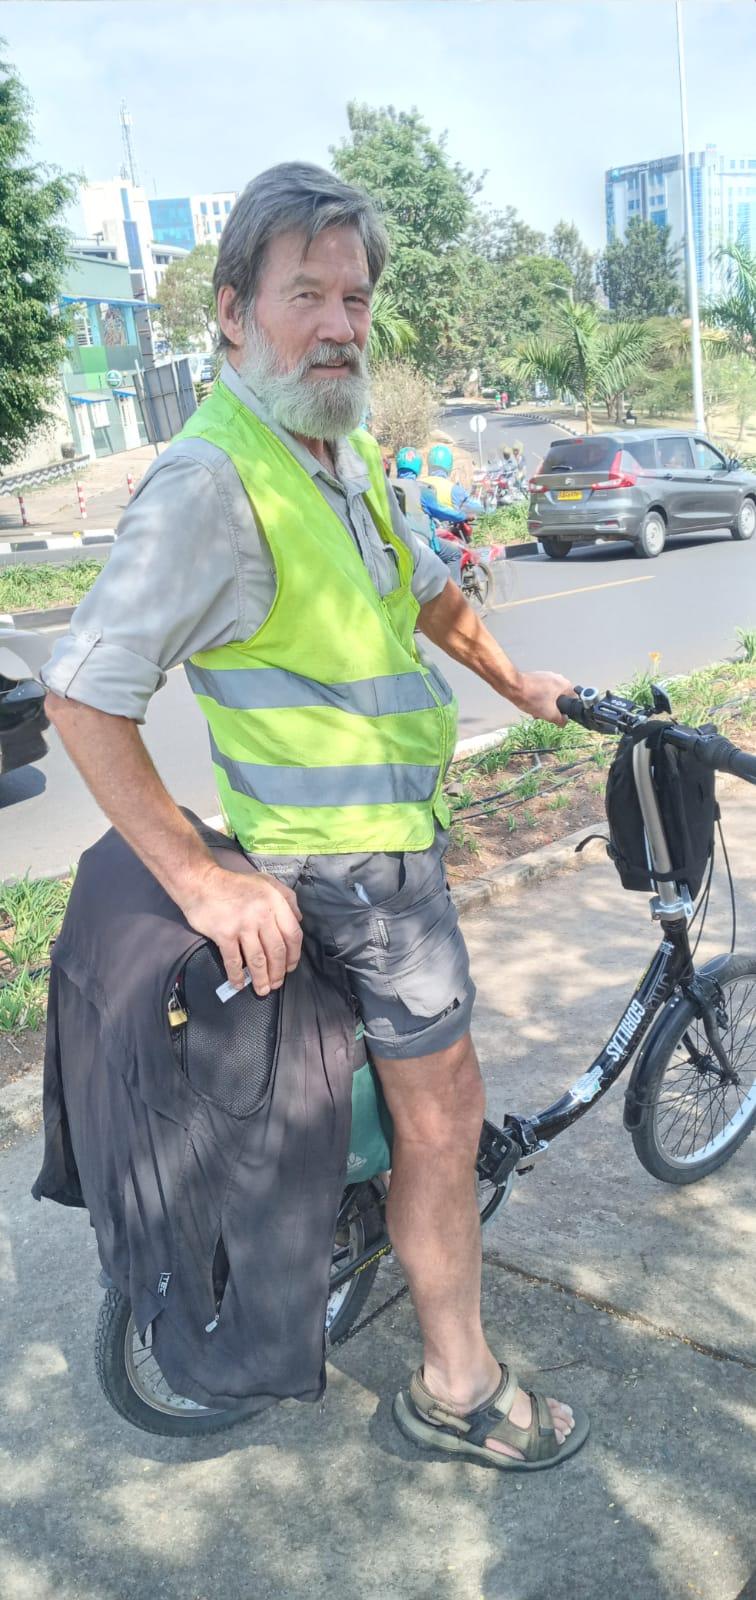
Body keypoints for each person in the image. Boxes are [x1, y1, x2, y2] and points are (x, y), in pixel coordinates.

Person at [42, 161, 586, 1471]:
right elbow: (83, 694)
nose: (341, 322)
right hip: (350, 877)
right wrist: (201, 878)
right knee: (444, 1109)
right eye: (307, 295)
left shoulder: (331, 445)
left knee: (400, 1108)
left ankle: (366, 1224)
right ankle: (457, 1386)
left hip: (392, 852)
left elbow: (423, 589)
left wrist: (527, 683)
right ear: (231, 311)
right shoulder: (209, 483)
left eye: (355, 297)